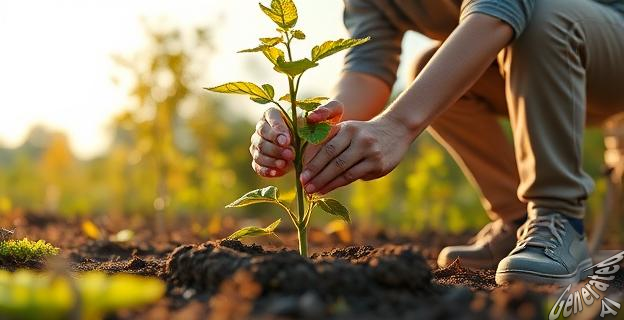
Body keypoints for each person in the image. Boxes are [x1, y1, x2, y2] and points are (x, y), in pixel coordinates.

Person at [248, 0, 624, 284]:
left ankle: (559, 216)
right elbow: (369, 65)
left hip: (603, 45)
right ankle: (519, 220)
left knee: (543, 14)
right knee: (426, 70)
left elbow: (501, 8)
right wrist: (311, 127)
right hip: (542, 68)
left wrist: (397, 126)